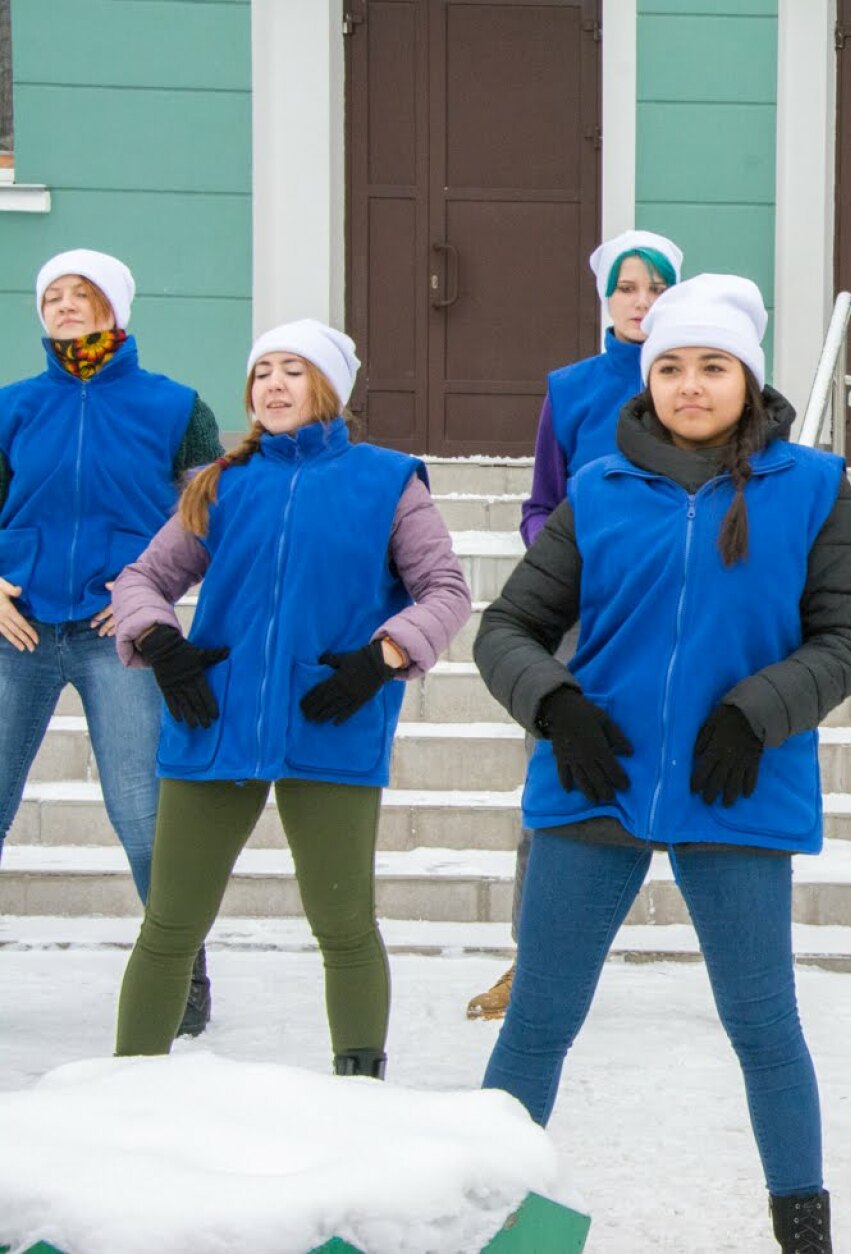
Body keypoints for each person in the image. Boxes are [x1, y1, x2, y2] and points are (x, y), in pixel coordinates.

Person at [474, 275, 851, 1254]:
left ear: (749, 378)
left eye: (712, 367)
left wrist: (756, 712)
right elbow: (507, 628)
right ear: (648, 378)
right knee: (538, 1022)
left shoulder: (814, 487)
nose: (690, 385)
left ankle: (805, 1236)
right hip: (596, 781)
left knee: (765, 1029)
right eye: (671, 368)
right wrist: (556, 705)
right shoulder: (600, 487)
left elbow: (848, 636)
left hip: (736, 782)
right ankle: (482, 1218)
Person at [110, 320, 471, 1077]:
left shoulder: (388, 482)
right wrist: (160, 642)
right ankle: (126, 1089)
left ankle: (359, 1086)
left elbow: (445, 589)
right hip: (215, 720)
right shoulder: (221, 483)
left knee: (344, 926)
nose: (273, 384)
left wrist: (383, 657)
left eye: (293, 370)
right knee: (170, 925)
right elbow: (142, 579)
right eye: (262, 371)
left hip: (331, 715)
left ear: (329, 387)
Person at [467, 228, 688, 1022]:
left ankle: (742, 955)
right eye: (627, 288)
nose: (641, 302)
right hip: (582, 620)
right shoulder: (571, 390)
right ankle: (530, 960)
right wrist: (568, 558)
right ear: (606, 298)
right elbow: (540, 505)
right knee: (554, 780)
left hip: (679, 613)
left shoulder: (700, 382)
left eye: (656, 287)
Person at [0, 249, 222, 1034]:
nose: (62, 305)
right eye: (51, 295)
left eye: (80, 293)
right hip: (18, 630)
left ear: (115, 307)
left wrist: (147, 592)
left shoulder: (177, 407)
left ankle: (180, 968)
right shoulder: (12, 406)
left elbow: (210, 517)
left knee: (140, 812)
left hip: (117, 635)